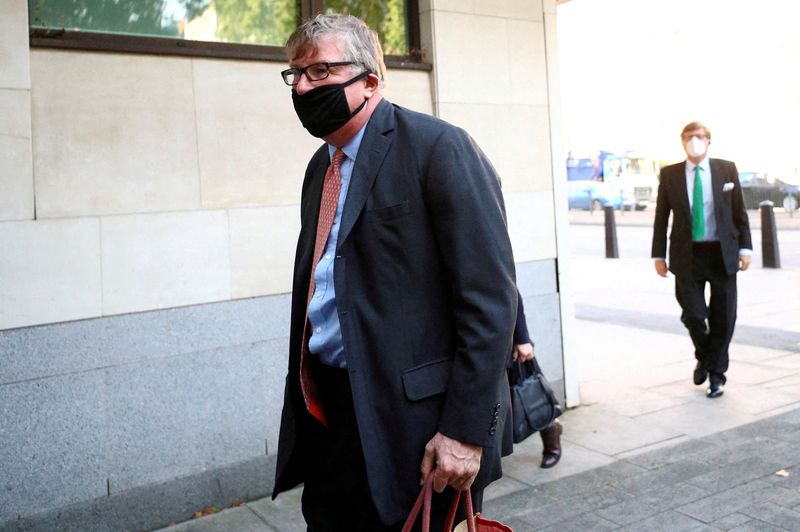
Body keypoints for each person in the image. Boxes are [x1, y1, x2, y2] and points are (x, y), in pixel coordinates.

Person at [272, 13, 517, 530]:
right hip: (331, 417)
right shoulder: (322, 166)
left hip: (415, 427)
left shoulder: (439, 147)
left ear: (370, 81)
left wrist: (465, 431)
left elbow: (490, 300)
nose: (303, 87)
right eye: (296, 76)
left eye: (319, 72)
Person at [651, 122, 752, 399]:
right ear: (682, 142)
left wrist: (746, 248)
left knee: (724, 317)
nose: (694, 141)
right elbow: (662, 217)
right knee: (694, 314)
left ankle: (716, 375)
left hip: (722, 254)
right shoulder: (670, 174)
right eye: (689, 137)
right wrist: (658, 255)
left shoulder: (726, 169)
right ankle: (704, 356)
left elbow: (738, 212)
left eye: (700, 137)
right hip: (688, 255)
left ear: (709, 141)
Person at [508, 294, 563, 468]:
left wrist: (522, 338)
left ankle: (551, 429)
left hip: (509, 343)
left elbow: (512, 293)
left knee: (532, 393)